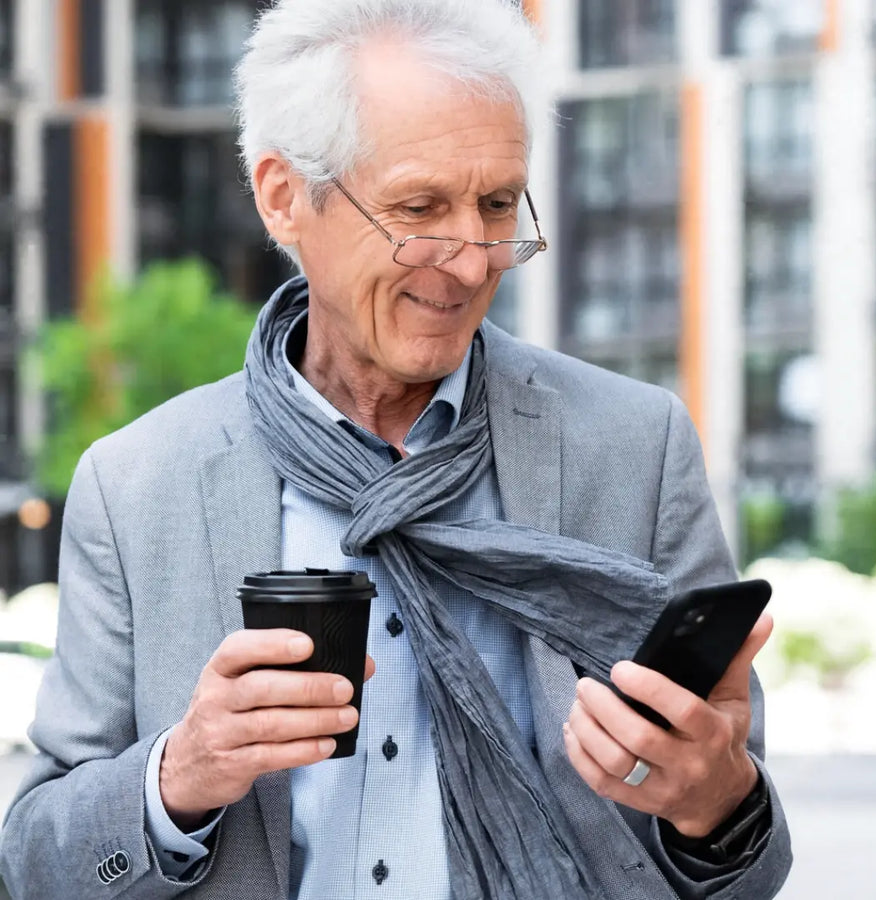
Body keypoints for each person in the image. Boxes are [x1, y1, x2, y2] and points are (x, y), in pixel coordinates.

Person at [0, 1, 792, 897]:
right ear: (282, 196)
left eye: (497, 205)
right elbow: (35, 863)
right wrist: (179, 778)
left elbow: (750, 866)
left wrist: (716, 805)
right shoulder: (136, 483)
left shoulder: (635, 447)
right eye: (419, 208)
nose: (470, 261)